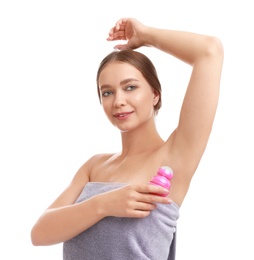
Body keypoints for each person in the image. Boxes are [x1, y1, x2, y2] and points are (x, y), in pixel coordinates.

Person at [31, 18, 224, 260]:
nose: (118, 100)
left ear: (155, 94)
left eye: (130, 87)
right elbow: (39, 234)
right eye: (107, 92)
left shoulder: (175, 157)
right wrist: (104, 205)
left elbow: (209, 51)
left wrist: (147, 35)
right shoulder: (95, 166)